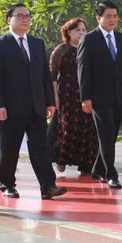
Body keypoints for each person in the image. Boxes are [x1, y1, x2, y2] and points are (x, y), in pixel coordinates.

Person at [0, 2, 66, 200]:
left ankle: (48, 186)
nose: (25, 19)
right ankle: (7, 184)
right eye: (20, 15)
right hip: (10, 108)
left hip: (36, 106)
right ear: (9, 20)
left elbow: (44, 76)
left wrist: (50, 101)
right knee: (9, 149)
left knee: (40, 148)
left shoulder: (37, 43)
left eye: (27, 16)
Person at [77, 0, 122, 189]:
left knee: (112, 135)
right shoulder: (89, 39)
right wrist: (85, 97)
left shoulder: (121, 39)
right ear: (98, 18)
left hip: (118, 96)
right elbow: (83, 71)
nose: (112, 20)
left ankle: (98, 168)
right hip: (98, 97)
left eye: (115, 16)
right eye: (108, 16)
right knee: (105, 135)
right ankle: (111, 173)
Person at [50, 17, 98, 176]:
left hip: (86, 92)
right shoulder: (61, 50)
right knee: (67, 127)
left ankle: (86, 165)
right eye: (77, 30)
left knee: (88, 128)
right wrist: (55, 95)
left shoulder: (89, 48)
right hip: (67, 94)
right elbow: (52, 74)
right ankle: (62, 159)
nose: (81, 33)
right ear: (68, 32)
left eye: (84, 30)